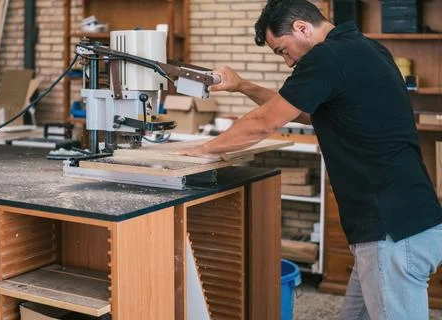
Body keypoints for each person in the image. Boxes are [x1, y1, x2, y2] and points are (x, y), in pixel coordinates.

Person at [176, 0, 442, 319]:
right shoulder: (365, 49)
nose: (288, 62)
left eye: (283, 50)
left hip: (391, 232)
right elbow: (303, 111)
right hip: (406, 220)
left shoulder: (326, 57)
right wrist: (243, 86)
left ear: (302, 28)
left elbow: (265, 122)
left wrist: (202, 150)